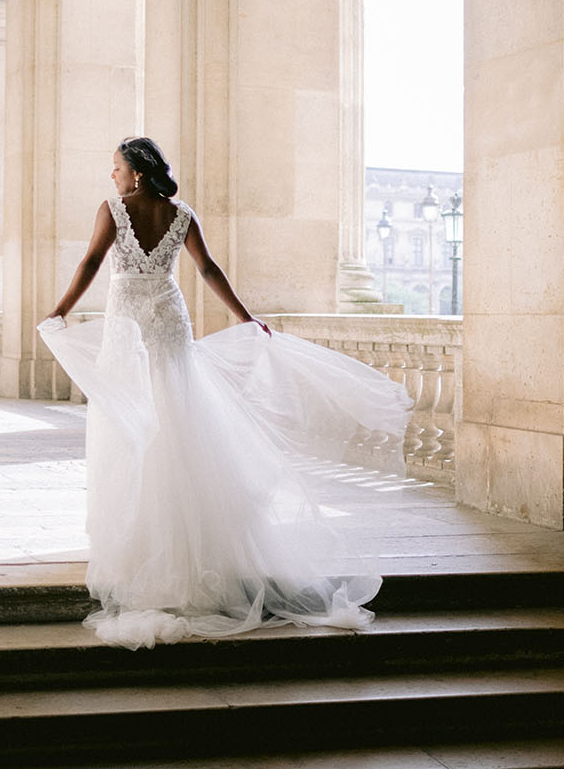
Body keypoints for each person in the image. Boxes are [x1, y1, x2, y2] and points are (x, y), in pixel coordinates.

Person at [37, 136, 413, 649]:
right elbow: (208, 269)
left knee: (131, 422)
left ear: (137, 174)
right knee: (179, 416)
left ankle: (142, 544)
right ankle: (188, 541)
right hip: (168, 318)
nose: (113, 176)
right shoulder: (181, 214)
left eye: (118, 167)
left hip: (126, 322)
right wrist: (243, 317)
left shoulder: (112, 210)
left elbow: (90, 264)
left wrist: (60, 310)